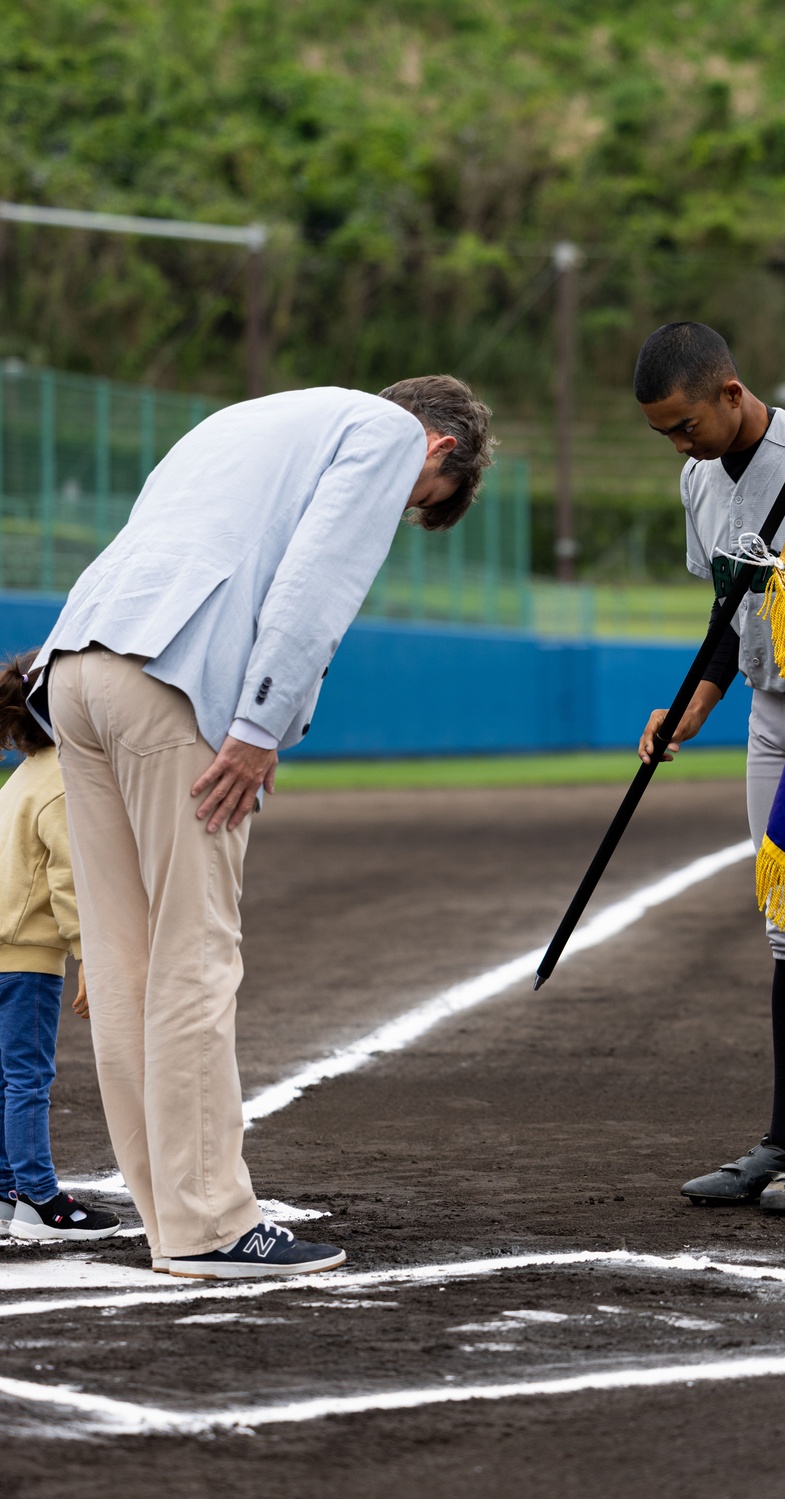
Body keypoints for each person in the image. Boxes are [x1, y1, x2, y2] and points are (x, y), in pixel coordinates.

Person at [27, 375, 493, 1278]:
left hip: (77, 665)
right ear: (439, 448)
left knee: (124, 960)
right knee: (193, 949)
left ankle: (171, 1213)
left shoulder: (250, 416)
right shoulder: (390, 434)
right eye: (415, 504)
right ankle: (208, 1226)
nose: (399, 512)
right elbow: (318, 581)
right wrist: (258, 727)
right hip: (172, 674)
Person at [634, 322, 785, 1215]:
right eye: (664, 431)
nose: (678, 441)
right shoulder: (697, 479)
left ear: (731, 394)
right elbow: (727, 611)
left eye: (684, 423)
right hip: (772, 716)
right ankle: (782, 1141)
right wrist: (692, 708)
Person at [0, 652, 120, 1244]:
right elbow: (69, 886)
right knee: (27, 1079)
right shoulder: (61, 785)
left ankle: (5, 1191)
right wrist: (90, 962)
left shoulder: (19, 778)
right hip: (26, 962)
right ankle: (40, 1201)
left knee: (6, 1077)